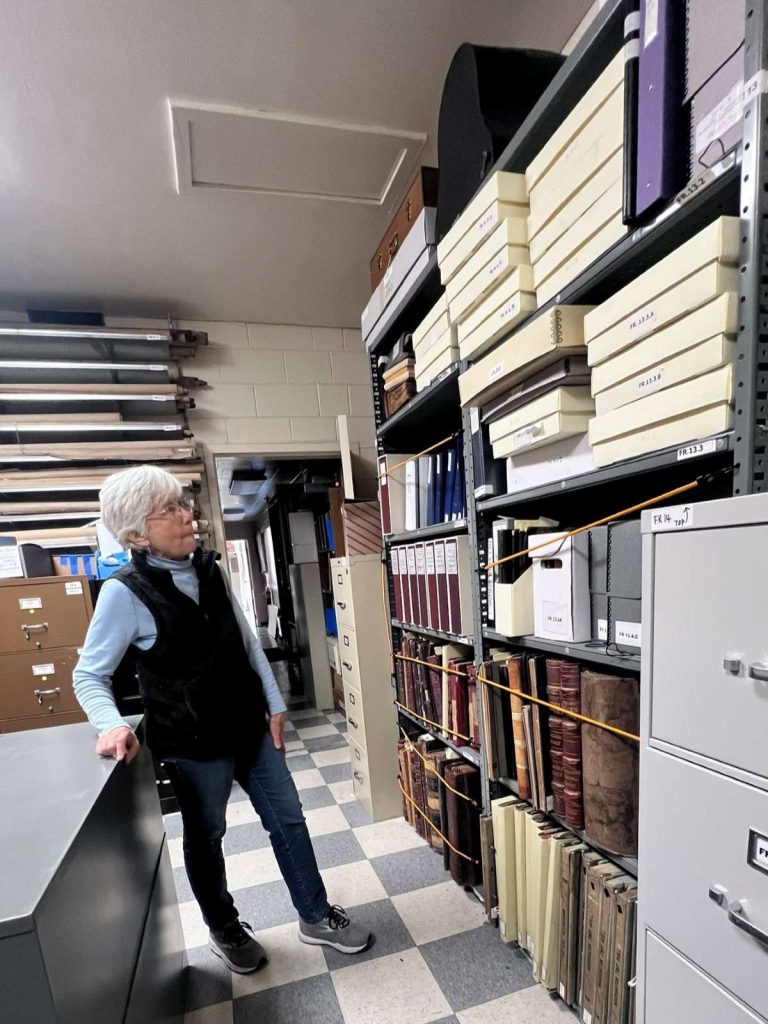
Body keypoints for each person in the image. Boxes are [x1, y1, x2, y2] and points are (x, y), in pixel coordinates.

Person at [73, 464, 371, 974]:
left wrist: (275, 703)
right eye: (170, 510)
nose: (188, 515)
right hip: (192, 744)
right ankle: (225, 928)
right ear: (136, 534)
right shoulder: (125, 593)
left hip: (250, 728)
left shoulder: (210, 568)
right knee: (207, 836)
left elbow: (247, 641)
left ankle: (316, 915)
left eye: (183, 503)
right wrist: (112, 724)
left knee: (289, 819)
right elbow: (88, 676)